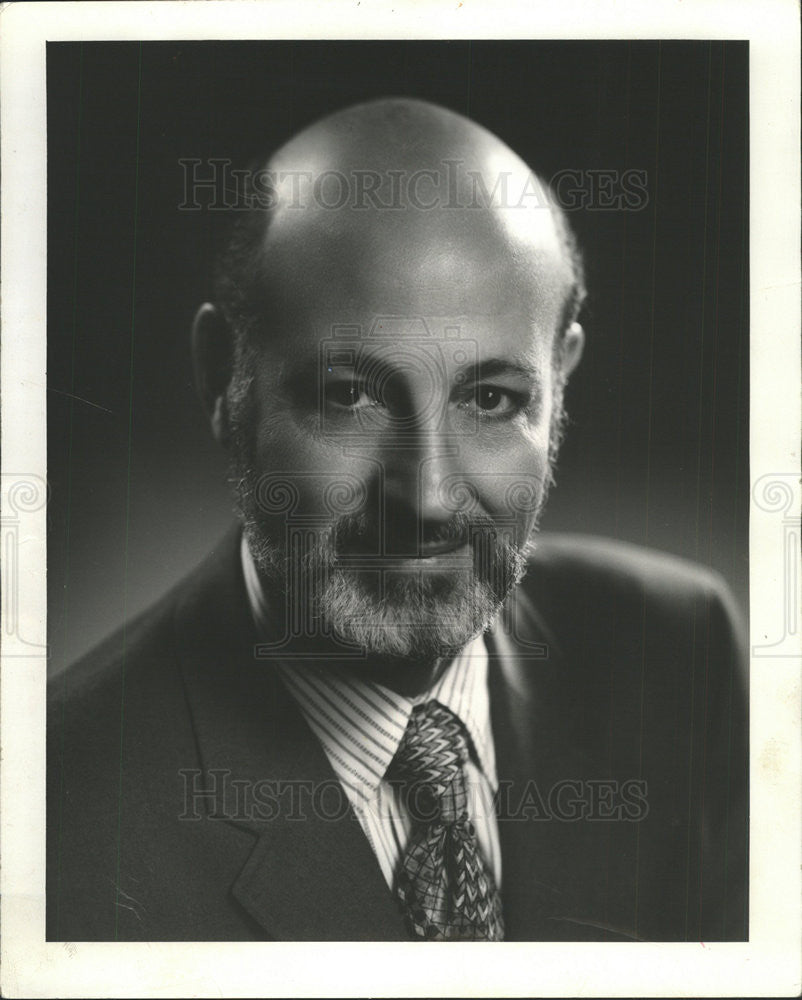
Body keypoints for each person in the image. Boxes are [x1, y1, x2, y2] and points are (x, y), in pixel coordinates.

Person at [47, 98, 748, 942]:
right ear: (221, 382)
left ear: (561, 385)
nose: (425, 500)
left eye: (493, 399)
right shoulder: (53, 827)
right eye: (348, 396)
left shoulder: (682, 655)